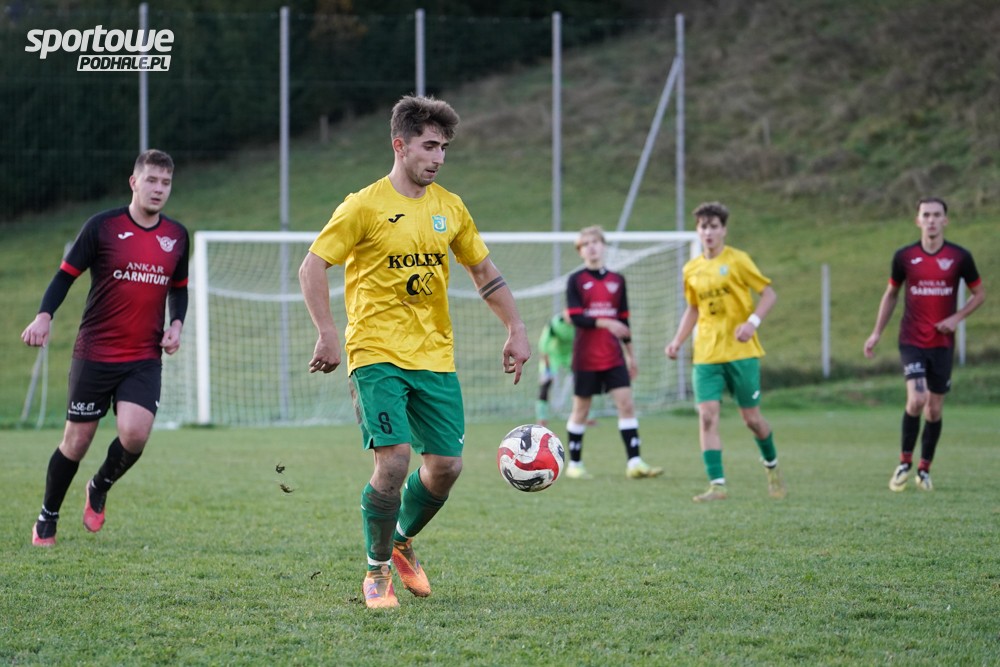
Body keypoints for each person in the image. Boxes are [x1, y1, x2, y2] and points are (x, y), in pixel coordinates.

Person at [299, 95, 531, 610]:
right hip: (375, 352)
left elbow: (484, 272)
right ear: (400, 146)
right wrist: (327, 332)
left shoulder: (450, 208)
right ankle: (376, 570)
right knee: (395, 461)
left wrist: (516, 327)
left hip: (435, 356)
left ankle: (401, 539)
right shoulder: (363, 206)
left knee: (447, 466)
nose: (438, 157)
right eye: (429, 146)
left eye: (444, 148)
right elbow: (312, 266)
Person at [21, 149, 189, 546]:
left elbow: (179, 290)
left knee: (135, 435)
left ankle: (99, 485)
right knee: (76, 442)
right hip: (95, 354)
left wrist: (177, 325)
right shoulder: (102, 227)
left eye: (166, 182)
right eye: (151, 180)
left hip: (143, 357)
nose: (159, 189)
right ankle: (48, 516)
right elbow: (64, 277)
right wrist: (44, 316)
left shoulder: (178, 236)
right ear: (134, 182)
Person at [665, 202, 786, 502]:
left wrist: (752, 323)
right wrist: (678, 341)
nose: (708, 232)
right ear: (698, 231)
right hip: (706, 354)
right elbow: (694, 308)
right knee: (707, 416)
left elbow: (769, 294)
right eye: (703, 226)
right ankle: (717, 485)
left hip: (741, 352)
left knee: (752, 420)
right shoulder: (691, 269)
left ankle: (771, 466)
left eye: (714, 226)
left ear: (724, 230)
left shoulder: (738, 260)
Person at [863, 197, 985, 492]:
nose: (931, 220)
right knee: (917, 399)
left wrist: (956, 318)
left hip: (942, 343)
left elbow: (979, 294)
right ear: (917, 220)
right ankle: (904, 463)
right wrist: (876, 332)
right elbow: (891, 294)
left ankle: (924, 469)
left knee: (934, 410)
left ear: (945, 220)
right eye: (926, 215)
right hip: (912, 340)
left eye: (936, 215)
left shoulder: (960, 257)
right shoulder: (905, 257)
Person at [563, 225, 662, 480]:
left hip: (614, 357)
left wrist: (631, 355)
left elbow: (623, 321)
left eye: (595, 242)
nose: (591, 248)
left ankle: (635, 463)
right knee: (581, 410)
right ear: (580, 251)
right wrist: (607, 323)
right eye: (585, 244)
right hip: (585, 357)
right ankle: (575, 464)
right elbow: (576, 317)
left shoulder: (618, 280)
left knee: (626, 404)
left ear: (604, 246)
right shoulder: (575, 280)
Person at [535, 311, 574, 427]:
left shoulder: (579, 324)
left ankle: (586, 416)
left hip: (570, 355)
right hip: (552, 356)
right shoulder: (555, 324)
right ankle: (541, 418)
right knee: (545, 383)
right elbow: (543, 344)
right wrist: (546, 363)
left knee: (582, 383)